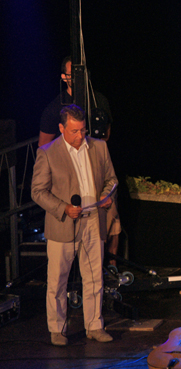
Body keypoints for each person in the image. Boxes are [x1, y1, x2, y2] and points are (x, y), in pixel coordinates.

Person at [32, 105, 117, 346]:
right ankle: (57, 329)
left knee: (94, 278)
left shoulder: (98, 147)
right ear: (61, 128)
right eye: (74, 131)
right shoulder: (48, 152)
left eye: (82, 130)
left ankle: (94, 325)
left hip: (93, 221)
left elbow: (112, 179)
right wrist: (63, 208)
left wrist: (106, 195)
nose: (80, 136)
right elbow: (37, 191)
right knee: (58, 280)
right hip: (63, 225)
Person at [38, 56, 121, 267]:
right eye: (73, 74)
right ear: (65, 77)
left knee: (112, 223)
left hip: (96, 175)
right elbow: (44, 147)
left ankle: (110, 268)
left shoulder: (98, 100)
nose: (77, 79)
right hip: (69, 186)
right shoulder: (54, 109)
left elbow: (106, 135)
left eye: (81, 74)